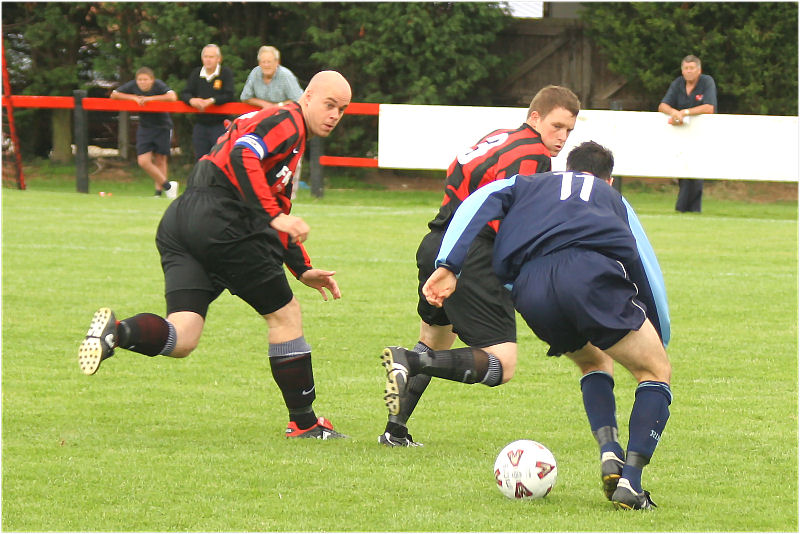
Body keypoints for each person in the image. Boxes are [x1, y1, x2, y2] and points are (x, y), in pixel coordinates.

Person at [79, 71, 353, 440]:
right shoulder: (287, 120)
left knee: (184, 336)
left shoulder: (283, 127)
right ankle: (304, 423)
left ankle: (116, 331)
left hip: (182, 219)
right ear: (307, 97)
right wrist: (274, 217)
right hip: (223, 221)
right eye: (329, 104)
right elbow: (245, 156)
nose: (335, 114)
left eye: (343, 109)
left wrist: (302, 268)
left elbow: (274, 198)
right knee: (286, 316)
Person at [402, 141, 671, 510]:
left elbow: (476, 203)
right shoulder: (613, 198)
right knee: (654, 371)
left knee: (593, 361)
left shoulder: (528, 183)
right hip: (588, 275)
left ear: (563, 167)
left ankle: (610, 451)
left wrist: (450, 264)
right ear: (608, 179)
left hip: (531, 290)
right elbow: (644, 268)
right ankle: (632, 484)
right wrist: (658, 333)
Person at [378, 85, 580, 448]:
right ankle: (407, 361)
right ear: (535, 117)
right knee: (502, 364)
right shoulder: (534, 154)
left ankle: (395, 430)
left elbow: (456, 171)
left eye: (569, 130)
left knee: (435, 340)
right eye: (557, 126)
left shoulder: (499, 137)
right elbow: (516, 224)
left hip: (436, 242)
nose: (562, 137)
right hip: (469, 254)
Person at [657, 54, 717, 213]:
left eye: (692, 68)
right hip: (681, 135)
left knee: (696, 172)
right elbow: (663, 105)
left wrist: (685, 112)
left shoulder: (707, 82)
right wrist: (674, 113)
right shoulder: (678, 83)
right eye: (686, 68)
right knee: (683, 170)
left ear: (699, 70)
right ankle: (683, 208)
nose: (688, 71)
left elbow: (709, 107)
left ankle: (691, 209)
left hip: (701, 135)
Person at [111, 67, 179, 198]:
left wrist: (150, 99)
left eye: (145, 80)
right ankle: (168, 186)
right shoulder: (133, 86)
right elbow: (114, 94)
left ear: (152, 80)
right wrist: (133, 98)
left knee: (160, 159)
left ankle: (158, 193)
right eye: (140, 80)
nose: (142, 82)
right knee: (143, 161)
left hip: (162, 126)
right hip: (145, 127)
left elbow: (172, 96)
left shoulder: (159, 85)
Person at [180, 44, 235, 160]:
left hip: (220, 124)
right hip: (200, 124)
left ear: (219, 59)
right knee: (201, 159)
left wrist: (211, 101)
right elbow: (185, 93)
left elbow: (229, 95)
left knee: (220, 158)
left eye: (211, 57)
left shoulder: (225, 73)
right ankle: (202, 179)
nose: (208, 60)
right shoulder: (196, 73)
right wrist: (192, 100)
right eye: (206, 57)